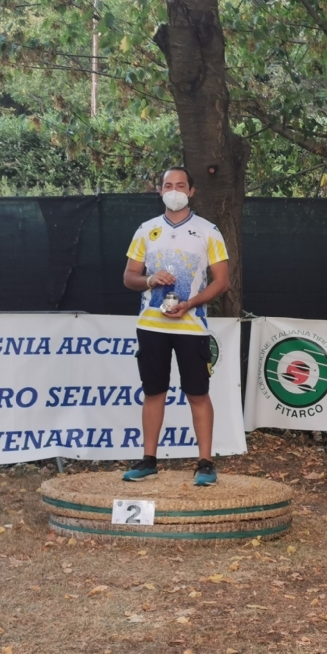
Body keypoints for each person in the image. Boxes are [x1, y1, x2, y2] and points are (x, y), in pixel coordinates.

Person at [121, 167, 230, 485]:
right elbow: (129, 277)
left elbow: (221, 282)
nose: (174, 190)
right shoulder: (146, 230)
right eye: (168, 185)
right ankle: (149, 460)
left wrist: (190, 304)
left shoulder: (209, 231)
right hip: (151, 326)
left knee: (198, 394)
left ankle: (206, 463)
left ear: (191, 192)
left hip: (191, 326)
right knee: (153, 392)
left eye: (181, 185)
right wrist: (149, 280)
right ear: (160, 190)